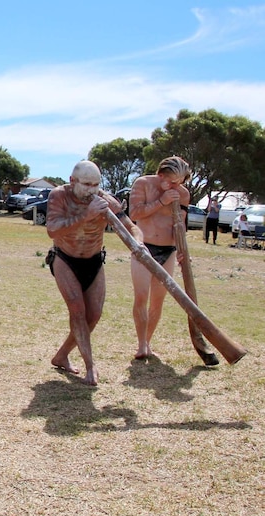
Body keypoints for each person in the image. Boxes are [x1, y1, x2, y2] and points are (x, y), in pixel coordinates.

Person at [46, 160, 142, 386]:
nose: (91, 190)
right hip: (64, 258)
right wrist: (86, 216)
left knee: (94, 314)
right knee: (77, 310)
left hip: (94, 260)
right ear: (72, 181)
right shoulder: (59, 196)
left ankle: (61, 356)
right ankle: (90, 365)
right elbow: (52, 229)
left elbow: (132, 227)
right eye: (86, 184)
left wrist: (139, 243)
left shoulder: (106, 200)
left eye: (96, 185)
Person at [128, 156, 191, 360]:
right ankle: (140, 344)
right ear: (160, 175)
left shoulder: (183, 194)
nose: (175, 186)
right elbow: (135, 213)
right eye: (171, 181)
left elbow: (179, 225)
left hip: (168, 250)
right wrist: (161, 201)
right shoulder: (143, 184)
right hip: (143, 248)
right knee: (141, 297)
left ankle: (147, 341)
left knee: (158, 300)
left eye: (179, 182)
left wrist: (181, 248)